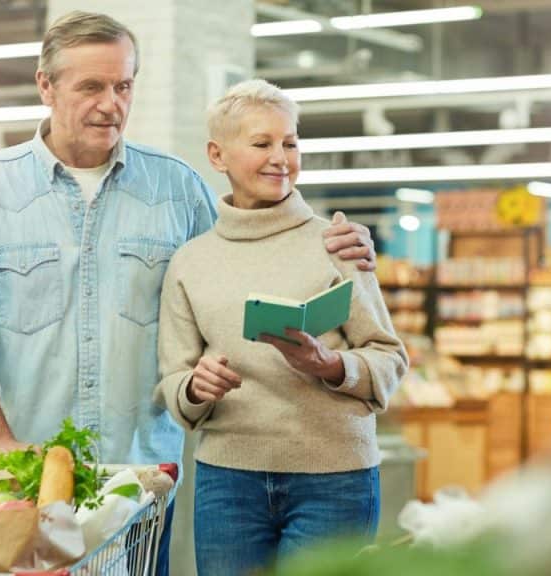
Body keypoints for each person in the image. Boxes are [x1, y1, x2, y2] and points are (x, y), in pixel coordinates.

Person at [0, 12, 376, 575]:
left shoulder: (176, 188)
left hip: (138, 488)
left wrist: (336, 245)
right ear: (46, 85)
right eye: (91, 86)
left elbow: (243, 273)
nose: (111, 104)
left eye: (123, 86)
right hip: (26, 483)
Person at [155, 79, 408, 575]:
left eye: (290, 143)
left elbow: (389, 357)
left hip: (334, 480)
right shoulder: (190, 263)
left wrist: (330, 364)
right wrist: (195, 387)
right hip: (228, 482)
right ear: (218, 155)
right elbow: (175, 381)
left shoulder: (337, 244)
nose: (281, 158)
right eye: (262, 143)